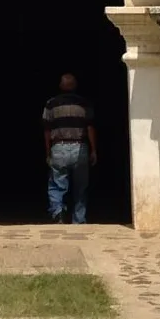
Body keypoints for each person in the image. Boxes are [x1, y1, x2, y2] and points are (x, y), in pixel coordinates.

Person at [42, 72, 97, 224]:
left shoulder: (51, 104)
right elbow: (90, 128)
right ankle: (79, 220)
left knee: (57, 184)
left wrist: (48, 152)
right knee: (81, 188)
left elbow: (47, 130)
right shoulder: (84, 104)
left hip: (59, 147)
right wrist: (93, 150)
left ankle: (58, 213)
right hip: (80, 147)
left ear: (61, 86)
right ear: (75, 86)